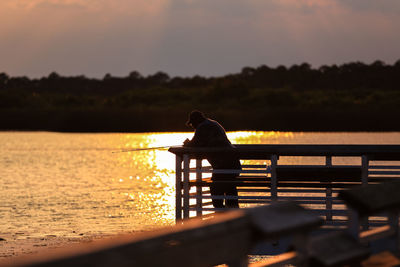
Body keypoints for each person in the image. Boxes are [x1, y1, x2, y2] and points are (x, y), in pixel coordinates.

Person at [183, 110, 241, 208]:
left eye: (192, 124)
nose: (192, 126)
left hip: (223, 165)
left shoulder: (202, 127)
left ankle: (221, 214)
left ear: (196, 121)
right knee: (229, 188)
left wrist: (187, 143)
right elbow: (200, 143)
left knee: (216, 189)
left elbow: (195, 144)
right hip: (232, 164)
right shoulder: (212, 123)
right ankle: (232, 214)